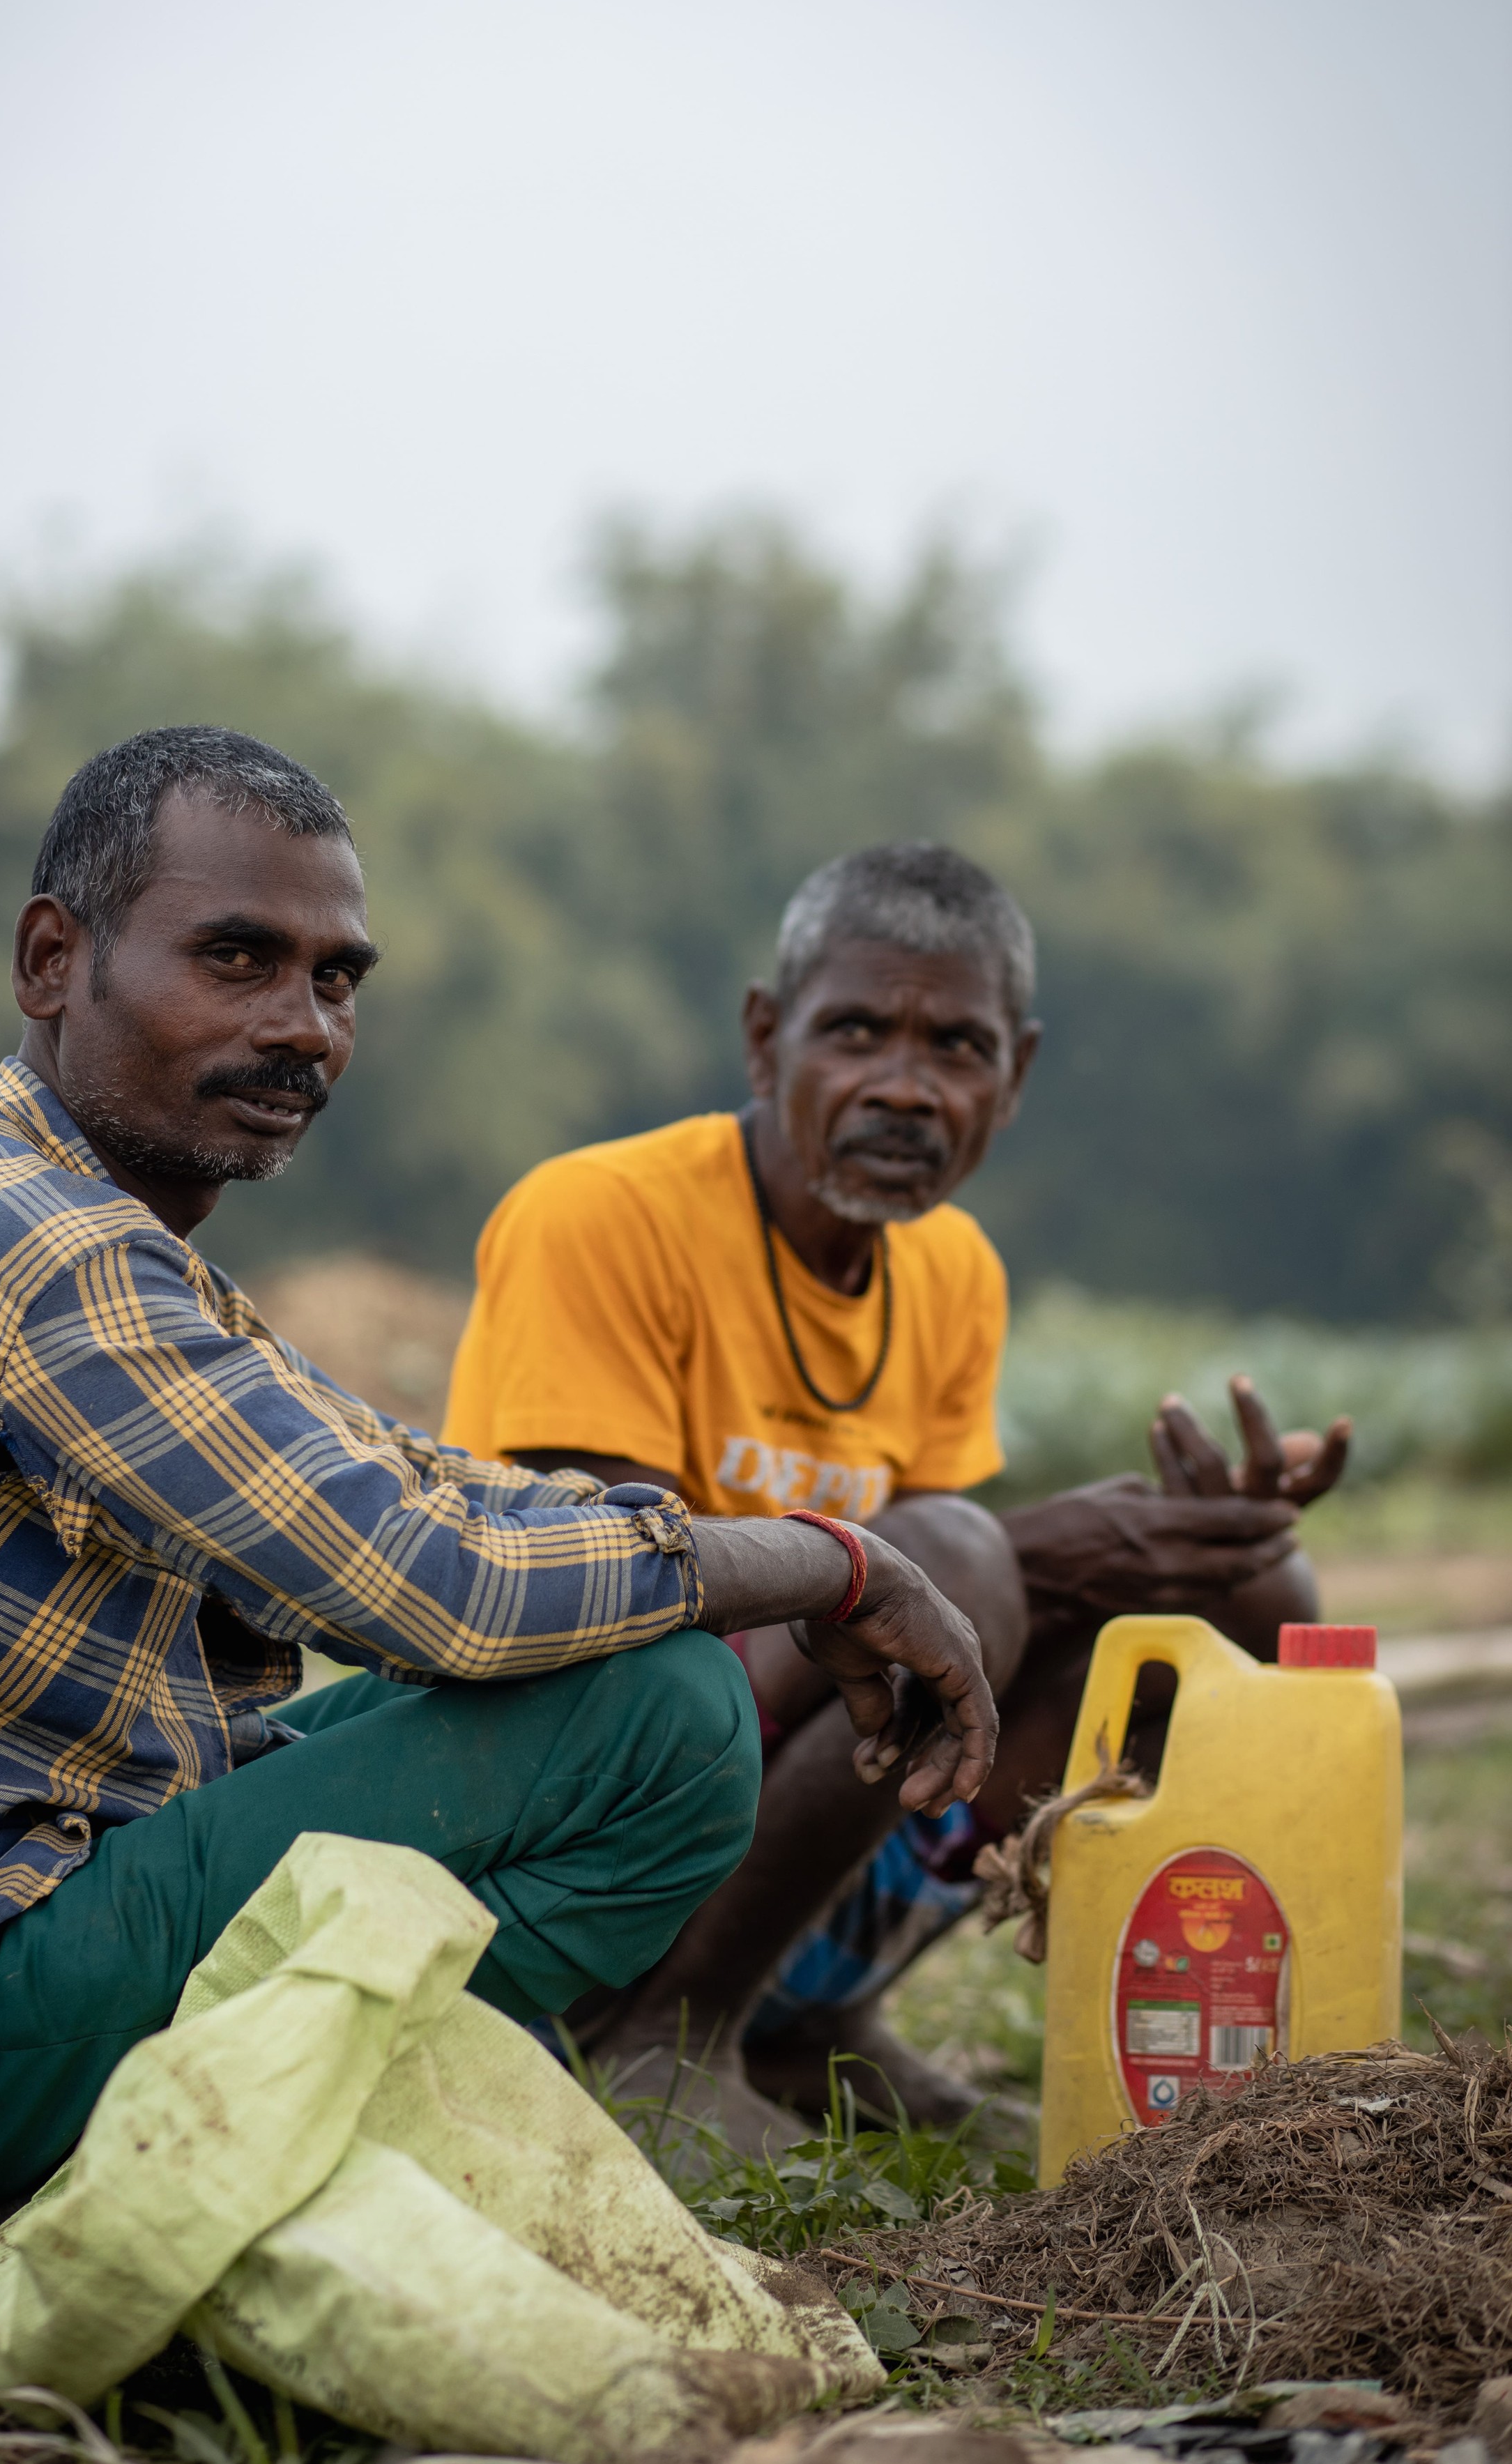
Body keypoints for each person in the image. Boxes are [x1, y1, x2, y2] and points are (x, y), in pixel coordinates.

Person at [0, 733, 997, 2266]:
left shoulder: (75, 1227)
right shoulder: (35, 1243)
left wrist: (818, 1564)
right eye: (235, 958)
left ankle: (341, 2106)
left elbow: (401, 1482)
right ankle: (330, 2120)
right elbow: (437, 1590)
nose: (303, 1028)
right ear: (51, 959)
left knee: (614, 1674)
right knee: (661, 1716)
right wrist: (839, 1565)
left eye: (336, 980)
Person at [442, 841, 1350, 2133]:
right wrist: (1033, 1550)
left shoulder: (953, 1272)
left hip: (773, 1793)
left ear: (1016, 1074)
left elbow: (954, 1649)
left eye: (958, 1049)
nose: (906, 1088)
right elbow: (623, 1611)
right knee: (961, 1563)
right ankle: (652, 2036)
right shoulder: (599, 1215)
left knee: (1245, 1584)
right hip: (594, 1800)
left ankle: (807, 2017)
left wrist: (1190, 1536)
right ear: (767, 1041)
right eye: (856, 1030)